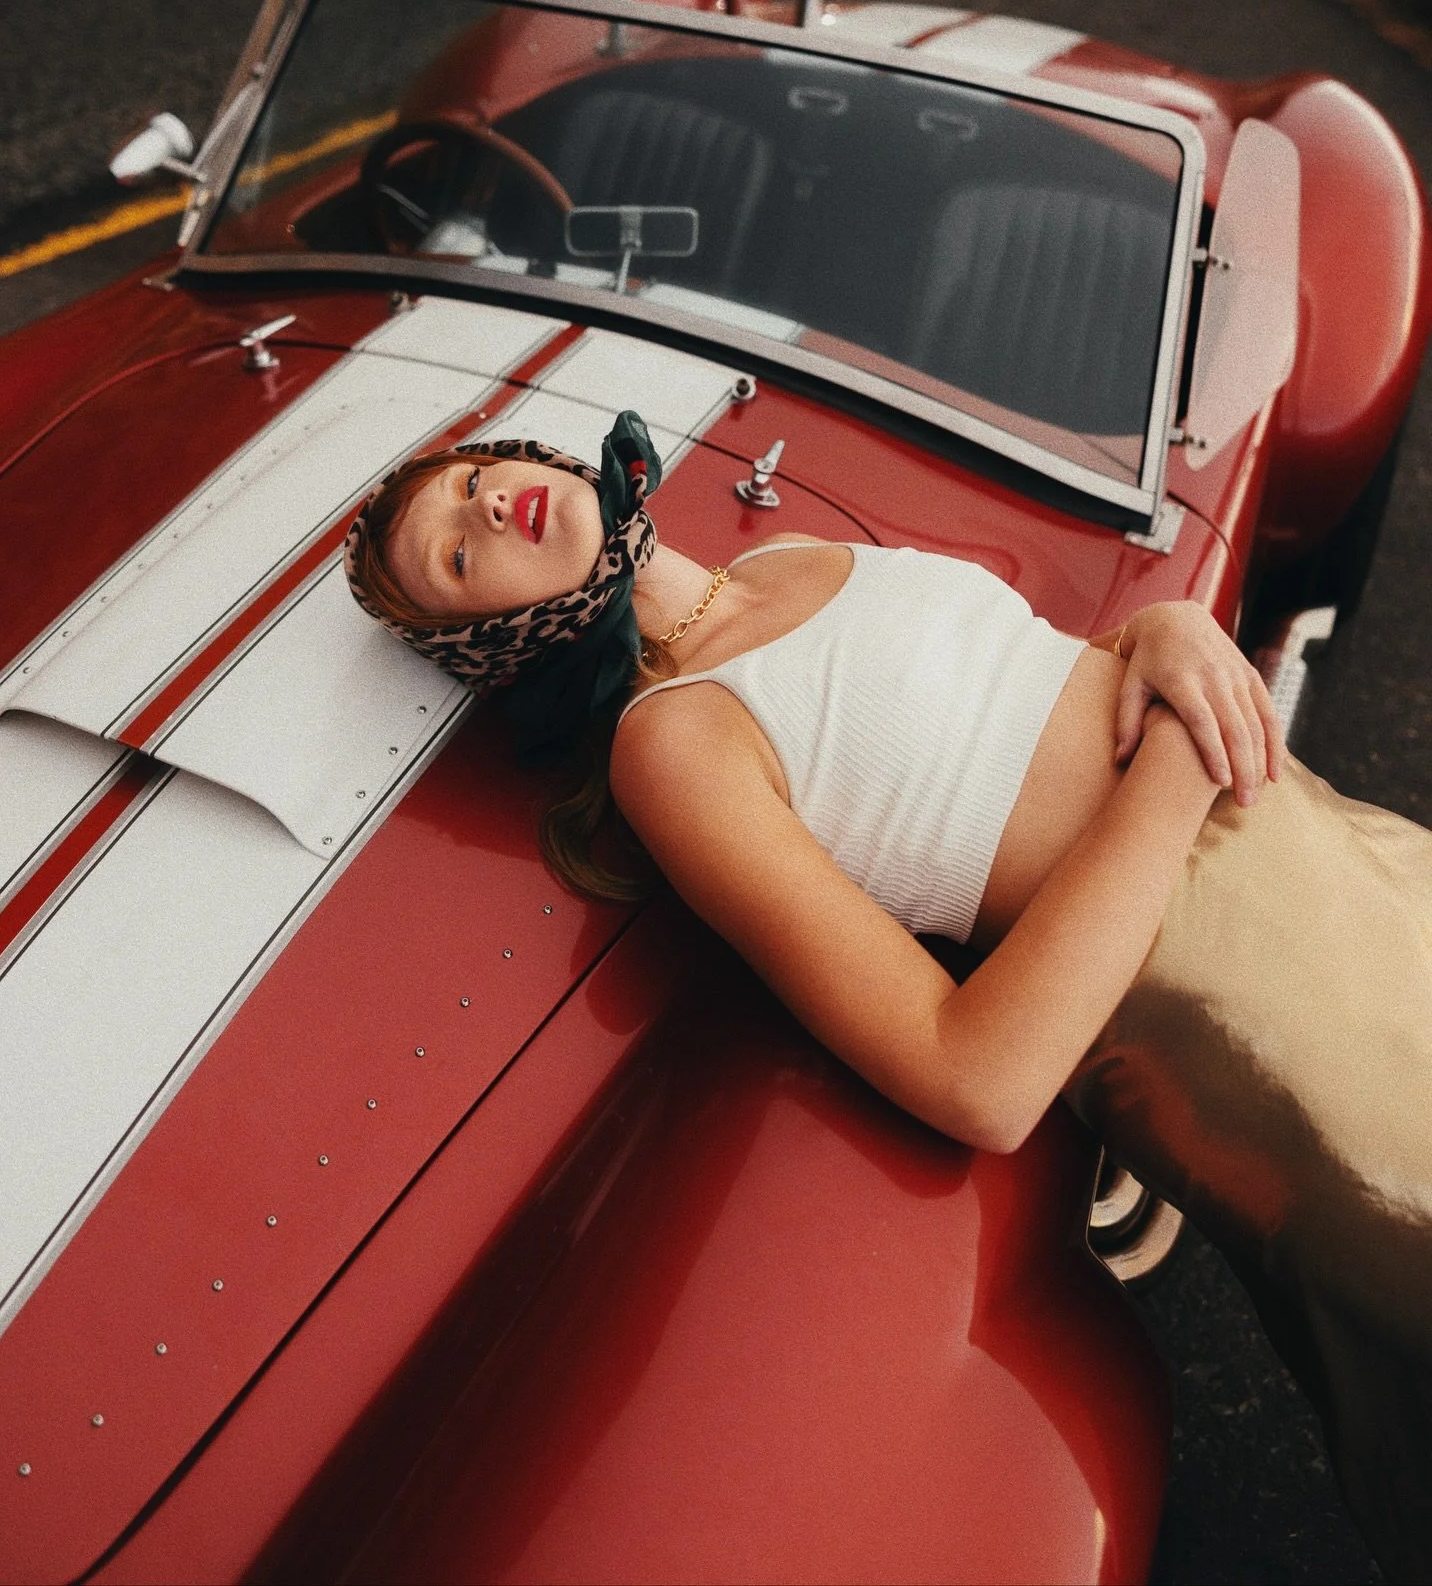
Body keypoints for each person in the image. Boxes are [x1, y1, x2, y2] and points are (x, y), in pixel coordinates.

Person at [345, 409, 1432, 1582]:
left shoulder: (782, 558)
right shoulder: (673, 746)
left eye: (467, 482)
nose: (481, 511)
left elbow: (1027, 698)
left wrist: (1160, 632)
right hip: (1256, 1007)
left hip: (1332, 847)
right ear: (502, 642)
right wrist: (1175, 765)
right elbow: (978, 1076)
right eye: (456, 559)